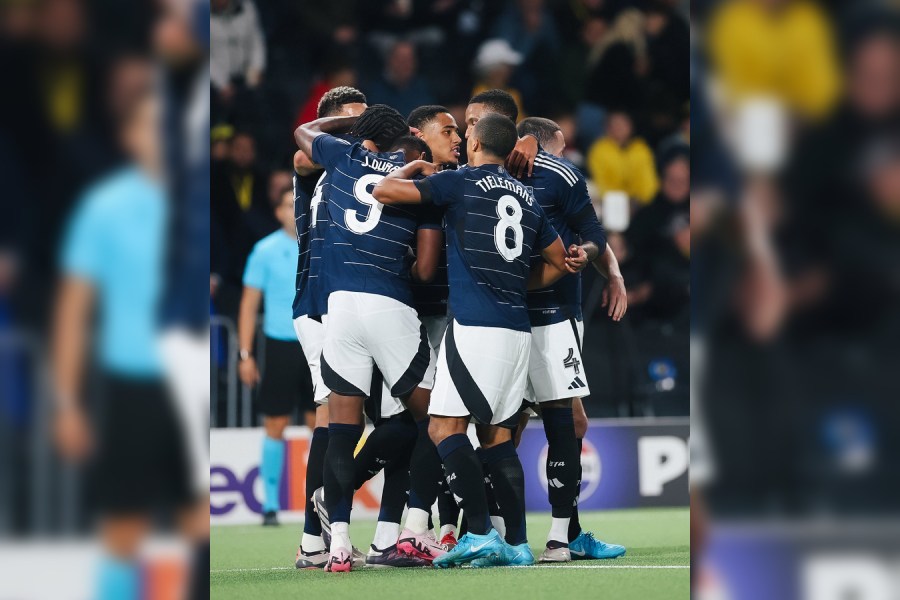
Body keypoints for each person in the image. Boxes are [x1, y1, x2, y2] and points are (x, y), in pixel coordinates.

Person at [373, 113, 580, 568]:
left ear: (477, 143)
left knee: (443, 428)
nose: (462, 139)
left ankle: (483, 533)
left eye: (466, 134)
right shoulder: (527, 197)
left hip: (474, 327)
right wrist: (511, 283)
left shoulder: (461, 182)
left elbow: (383, 191)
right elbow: (561, 261)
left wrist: (414, 170)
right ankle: (519, 543)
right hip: (517, 330)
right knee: (497, 437)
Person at [53, 91, 195, 600]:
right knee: (124, 526)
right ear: (128, 137)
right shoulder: (104, 207)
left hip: (193, 382)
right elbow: (72, 309)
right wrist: (66, 402)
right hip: (132, 384)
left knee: (195, 522)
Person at [294, 104, 441, 572]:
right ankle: (414, 532)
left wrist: (346, 126)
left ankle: (337, 544)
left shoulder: (342, 157)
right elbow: (423, 269)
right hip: (389, 303)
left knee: (342, 431)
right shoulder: (413, 179)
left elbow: (302, 131)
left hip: (339, 309)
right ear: (406, 143)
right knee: (435, 421)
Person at [515, 116, 627, 562]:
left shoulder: (555, 179)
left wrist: (613, 272)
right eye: (560, 148)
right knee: (533, 421)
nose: (566, 159)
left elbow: (587, 232)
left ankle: (559, 531)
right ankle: (549, 534)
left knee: (559, 420)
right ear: (538, 145)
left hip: (558, 313)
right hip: (537, 316)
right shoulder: (529, 171)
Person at [290, 85, 367, 568]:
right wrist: (346, 128)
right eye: (349, 122)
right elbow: (302, 161)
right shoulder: (313, 162)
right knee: (331, 412)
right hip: (317, 302)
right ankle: (314, 537)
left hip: (342, 302)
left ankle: (314, 540)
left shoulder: (357, 164)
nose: (357, 131)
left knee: (344, 417)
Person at [238, 187, 316, 526]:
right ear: (278, 211)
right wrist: (245, 354)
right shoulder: (264, 250)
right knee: (275, 424)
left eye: (294, 204)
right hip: (280, 344)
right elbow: (248, 304)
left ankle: (321, 500)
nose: (290, 210)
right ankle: (270, 505)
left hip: (315, 340)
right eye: (285, 204)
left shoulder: (319, 242)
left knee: (322, 424)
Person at [586, 110, 659, 205]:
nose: (619, 127)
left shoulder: (641, 149)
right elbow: (600, 181)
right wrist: (622, 200)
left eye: (623, 123)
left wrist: (643, 200)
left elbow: (648, 180)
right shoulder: (598, 149)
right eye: (615, 124)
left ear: (631, 126)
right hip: (609, 203)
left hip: (639, 203)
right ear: (607, 128)